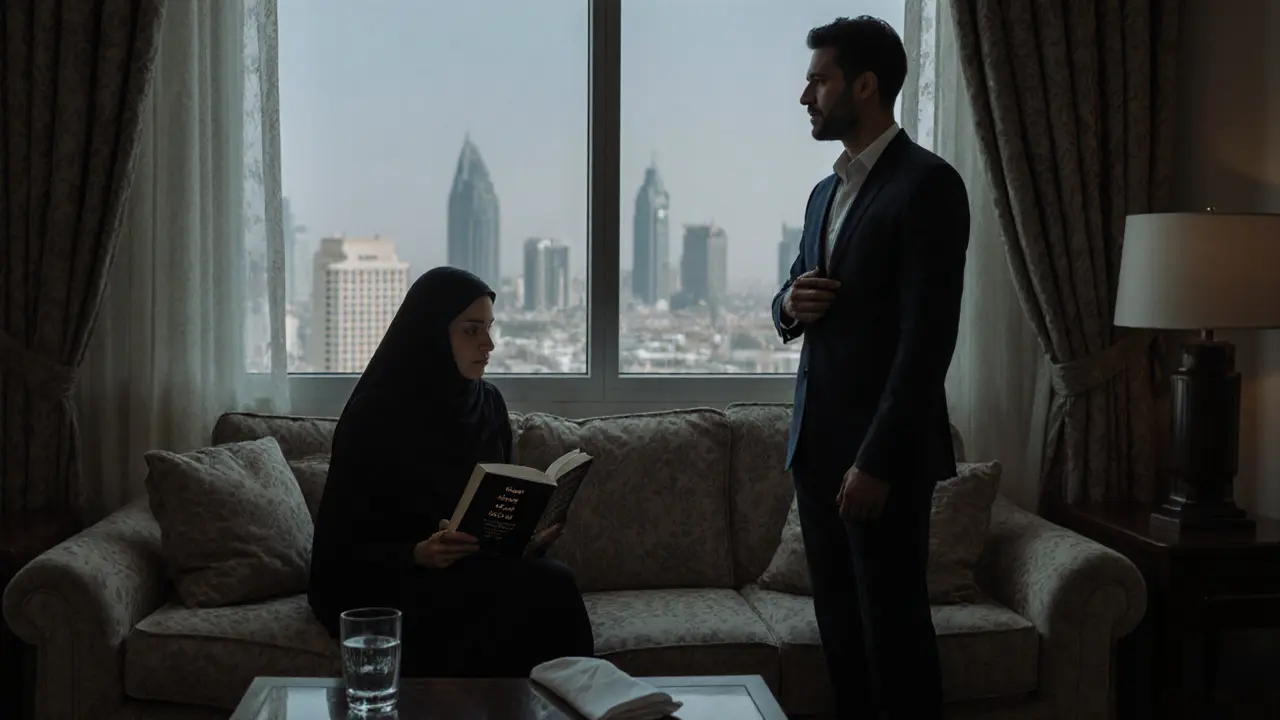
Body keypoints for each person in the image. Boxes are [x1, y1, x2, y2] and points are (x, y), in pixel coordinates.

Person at [771, 16, 969, 720]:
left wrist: (877, 461)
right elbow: (793, 294)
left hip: (879, 463)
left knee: (895, 638)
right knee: (842, 640)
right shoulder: (824, 194)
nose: (805, 96)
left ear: (865, 84)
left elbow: (927, 340)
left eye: (818, 80)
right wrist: (789, 302)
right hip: (815, 453)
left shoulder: (929, 186)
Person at [309, 266, 595, 678]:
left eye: (490, 329)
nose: (488, 344)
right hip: (399, 580)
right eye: (471, 330)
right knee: (541, 592)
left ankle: (581, 703)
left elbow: (495, 509)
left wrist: (527, 538)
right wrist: (418, 552)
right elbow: (339, 553)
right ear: (433, 333)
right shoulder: (374, 416)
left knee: (552, 584)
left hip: (476, 568)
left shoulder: (487, 404)